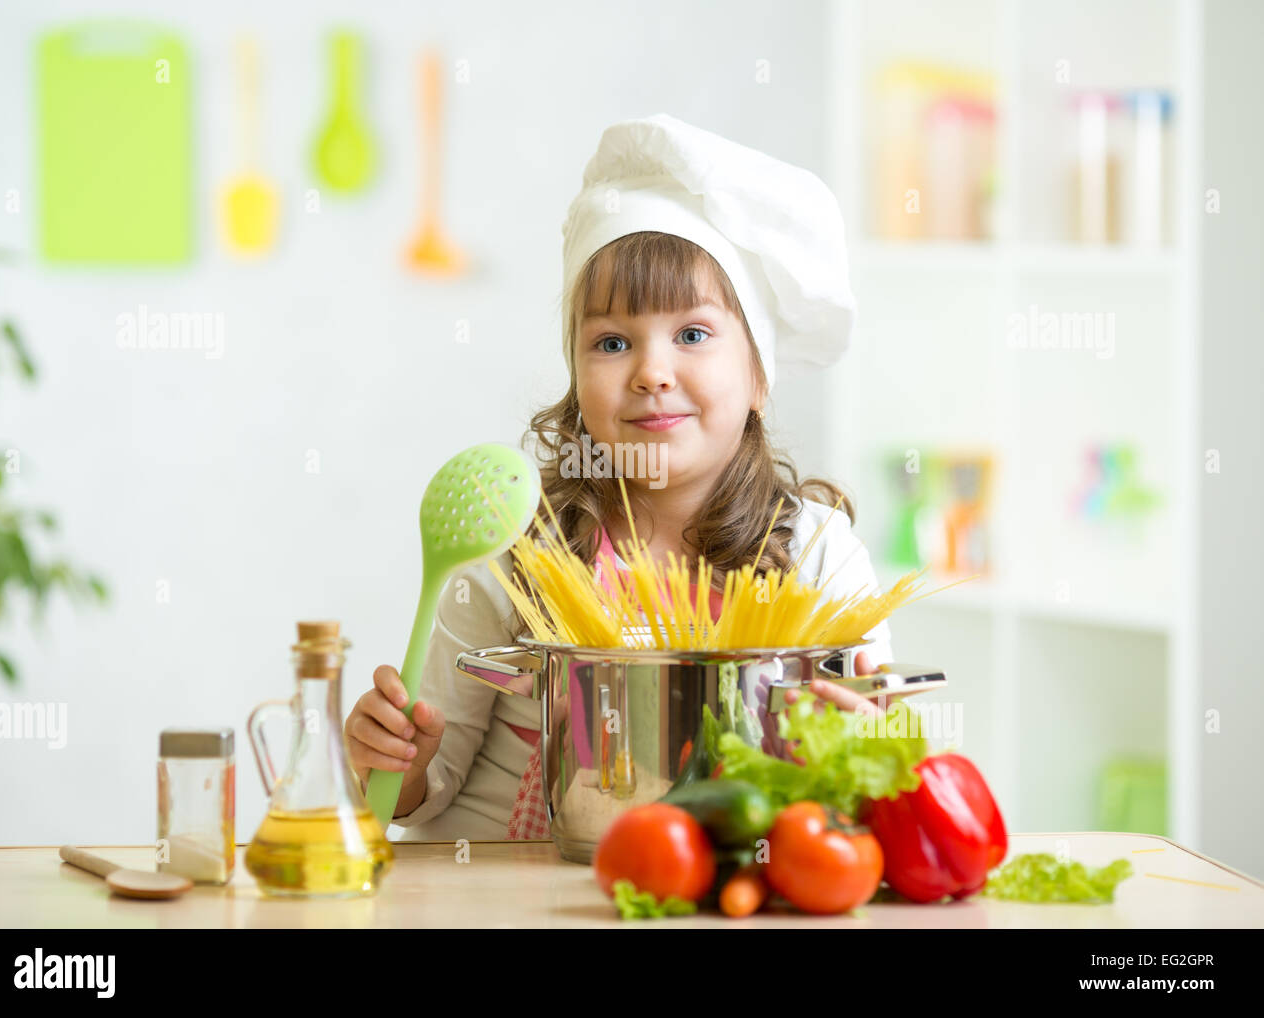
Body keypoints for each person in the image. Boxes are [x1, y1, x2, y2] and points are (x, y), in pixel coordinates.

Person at [346, 114, 897, 841]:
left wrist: (862, 759)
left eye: (693, 334)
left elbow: (876, 782)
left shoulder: (821, 557)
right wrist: (398, 762)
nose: (653, 372)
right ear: (577, 379)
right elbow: (418, 790)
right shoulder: (510, 550)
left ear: (760, 373)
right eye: (612, 342)